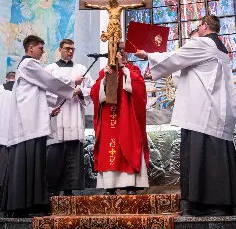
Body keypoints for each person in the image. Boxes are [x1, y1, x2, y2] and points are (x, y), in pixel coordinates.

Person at [135, 15, 236, 216]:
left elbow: (175, 57)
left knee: (202, 156)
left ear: (205, 26)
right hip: (217, 111)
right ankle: (227, 203)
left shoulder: (202, 43)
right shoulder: (220, 48)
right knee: (217, 156)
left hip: (202, 112)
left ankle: (207, 205)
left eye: (199, 25)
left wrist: (147, 55)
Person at [0, 35, 84, 218]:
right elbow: (49, 82)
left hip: (32, 123)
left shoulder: (28, 67)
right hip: (27, 127)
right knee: (28, 163)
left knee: (34, 165)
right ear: (31, 48)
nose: (43, 51)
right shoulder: (29, 64)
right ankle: (23, 204)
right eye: (40, 47)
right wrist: (71, 84)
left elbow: (37, 94)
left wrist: (48, 111)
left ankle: (32, 203)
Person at [90, 41, 149, 195]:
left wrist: (123, 68)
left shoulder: (132, 69)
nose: (121, 53)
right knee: (110, 150)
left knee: (128, 145)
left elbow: (139, 89)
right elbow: (95, 94)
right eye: (117, 50)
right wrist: (104, 80)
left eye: (123, 50)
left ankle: (131, 185)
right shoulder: (105, 71)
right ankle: (110, 185)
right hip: (109, 118)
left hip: (127, 117)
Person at [45, 39, 93, 196]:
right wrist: (68, 88)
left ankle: (69, 189)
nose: (70, 51)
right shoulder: (50, 69)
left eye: (73, 49)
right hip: (58, 114)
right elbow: (46, 90)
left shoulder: (81, 69)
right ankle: (52, 189)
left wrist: (81, 92)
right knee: (55, 152)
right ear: (60, 49)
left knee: (72, 152)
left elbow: (90, 90)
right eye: (67, 48)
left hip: (74, 115)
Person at [0, 72, 16, 197]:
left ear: (6, 78)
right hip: (17, 134)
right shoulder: (20, 91)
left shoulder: (1, 89)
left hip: (2, 132)